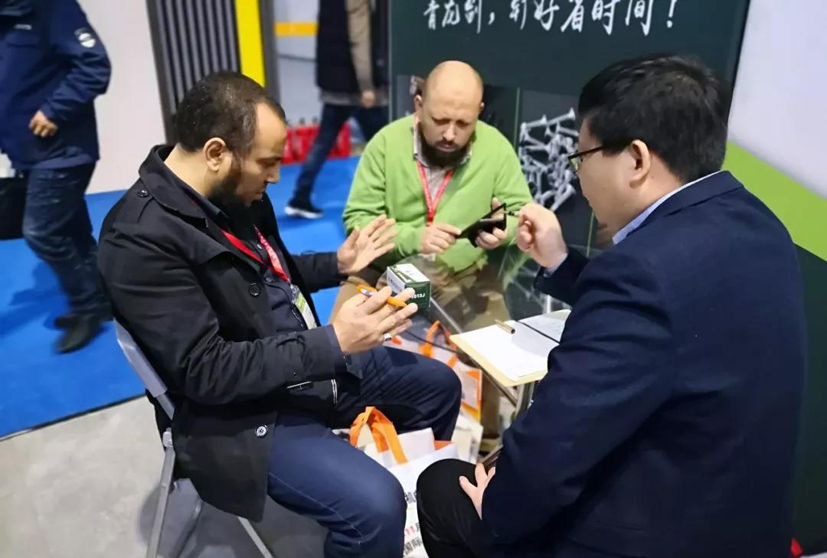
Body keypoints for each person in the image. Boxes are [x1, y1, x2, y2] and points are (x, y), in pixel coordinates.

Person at [416, 55, 806, 558]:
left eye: (582, 157)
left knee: (446, 488)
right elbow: (675, 316)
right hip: (743, 519)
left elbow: (549, 454)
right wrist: (561, 262)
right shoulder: (762, 225)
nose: (579, 177)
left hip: (658, 535)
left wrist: (497, 506)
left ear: (636, 160)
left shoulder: (640, 271)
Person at [98, 73, 461, 558]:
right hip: (237, 413)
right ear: (216, 152)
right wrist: (333, 342)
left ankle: (412, 517)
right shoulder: (138, 239)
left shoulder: (233, 192)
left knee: (439, 386)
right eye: (268, 163)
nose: (275, 178)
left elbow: (270, 274)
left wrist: (338, 264)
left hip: (300, 361)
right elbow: (206, 372)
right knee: (376, 506)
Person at [337, 60, 533, 309]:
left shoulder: (496, 148)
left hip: (463, 275)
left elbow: (523, 216)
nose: (450, 135)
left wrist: (504, 230)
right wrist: (414, 238)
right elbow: (358, 221)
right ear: (418, 106)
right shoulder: (386, 144)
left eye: (463, 123)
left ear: (479, 111)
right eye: (440, 120)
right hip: (383, 269)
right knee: (342, 331)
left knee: (494, 335)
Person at [0, 0, 111, 352]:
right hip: (31, 153)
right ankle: (105, 298)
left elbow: (95, 65)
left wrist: (54, 110)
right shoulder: (5, 17)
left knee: (42, 232)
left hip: (63, 151)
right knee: (72, 231)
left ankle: (87, 307)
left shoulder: (52, 7)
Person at [285, 0, 388, 219]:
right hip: (355, 89)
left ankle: (299, 197)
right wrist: (367, 86)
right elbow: (359, 41)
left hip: (334, 84)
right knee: (385, 144)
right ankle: (393, 197)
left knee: (323, 143)